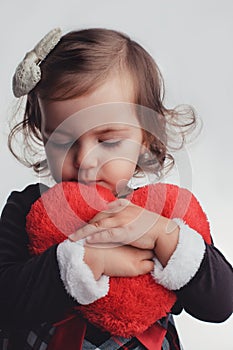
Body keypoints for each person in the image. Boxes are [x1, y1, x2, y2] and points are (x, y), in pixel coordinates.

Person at [0, 27, 232, 350]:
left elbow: (221, 303)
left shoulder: (160, 213)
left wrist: (166, 238)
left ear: (146, 138)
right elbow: (6, 301)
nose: (85, 161)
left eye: (107, 140)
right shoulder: (25, 210)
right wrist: (82, 262)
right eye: (62, 140)